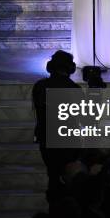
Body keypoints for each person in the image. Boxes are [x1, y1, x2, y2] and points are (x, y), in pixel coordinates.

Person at [32, 51, 82, 203]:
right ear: (70, 68)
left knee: (53, 176)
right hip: (68, 143)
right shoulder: (74, 90)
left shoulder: (40, 86)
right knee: (69, 180)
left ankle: (56, 210)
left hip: (46, 142)